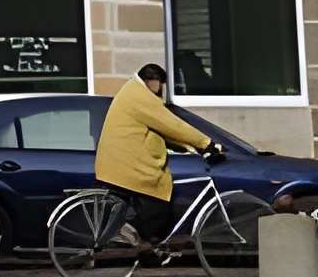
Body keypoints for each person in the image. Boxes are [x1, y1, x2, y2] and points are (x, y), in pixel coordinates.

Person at [94, 62, 223, 253]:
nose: (160, 91)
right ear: (150, 81)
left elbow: (161, 131)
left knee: (151, 207)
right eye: (159, 85)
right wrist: (206, 143)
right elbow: (171, 124)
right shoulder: (139, 96)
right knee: (157, 203)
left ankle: (146, 243)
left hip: (121, 164)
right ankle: (132, 237)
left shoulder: (133, 92)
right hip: (130, 166)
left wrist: (193, 148)